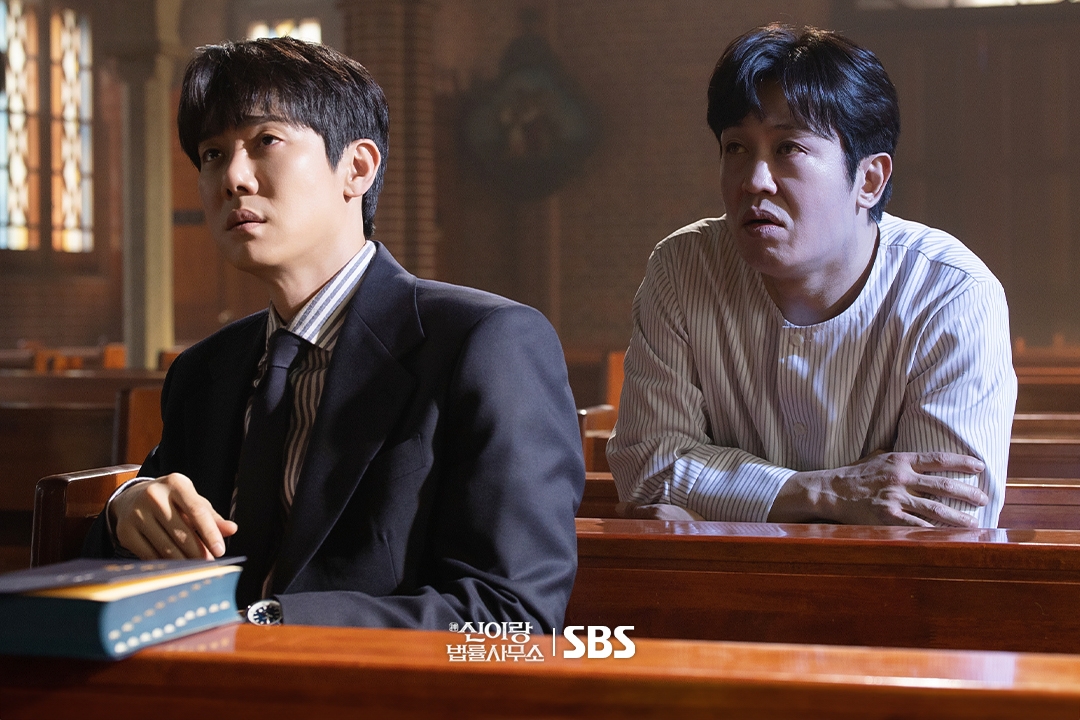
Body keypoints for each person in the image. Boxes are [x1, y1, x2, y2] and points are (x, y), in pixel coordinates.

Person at [84, 37, 584, 630]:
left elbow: (515, 617)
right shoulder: (205, 370)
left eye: (266, 141)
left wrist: (268, 625)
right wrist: (124, 509)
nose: (232, 178)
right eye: (212, 154)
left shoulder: (486, 344)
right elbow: (133, 556)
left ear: (357, 168)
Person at [607, 24, 1016, 528]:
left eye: (788, 149)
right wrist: (828, 491)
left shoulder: (951, 293)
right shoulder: (682, 268)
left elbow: (945, 520)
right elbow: (649, 470)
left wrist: (713, 507)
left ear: (869, 180)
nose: (754, 181)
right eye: (736, 148)